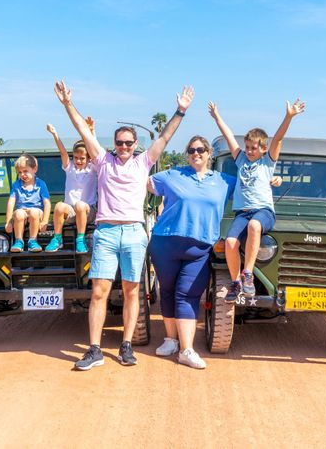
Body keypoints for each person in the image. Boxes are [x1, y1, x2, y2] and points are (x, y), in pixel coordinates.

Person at [55, 80, 193, 370]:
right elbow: (83, 130)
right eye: (120, 143)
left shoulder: (144, 163)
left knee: (132, 291)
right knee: (99, 292)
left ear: (135, 145)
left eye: (129, 143)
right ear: (114, 144)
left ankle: (126, 345)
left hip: (133, 232)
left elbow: (165, 138)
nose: (124, 147)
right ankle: (94, 349)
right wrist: (67, 104)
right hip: (106, 232)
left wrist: (180, 111)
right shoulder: (102, 161)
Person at [147, 135, 235, 369]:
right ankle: (170, 340)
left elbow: (250, 186)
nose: (196, 153)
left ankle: (186, 350)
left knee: (187, 294)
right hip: (165, 242)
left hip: (200, 248)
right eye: (192, 150)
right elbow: (139, 181)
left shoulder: (224, 181)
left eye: (201, 149)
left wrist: (272, 179)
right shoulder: (171, 175)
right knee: (167, 290)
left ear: (209, 153)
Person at [209, 99, 306, 302]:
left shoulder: (267, 162)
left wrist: (289, 116)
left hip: (263, 212)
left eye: (253, 148)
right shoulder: (241, 160)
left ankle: (248, 274)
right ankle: (236, 282)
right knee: (230, 242)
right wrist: (217, 117)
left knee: (254, 226)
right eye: (247, 147)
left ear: (263, 148)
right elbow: (228, 136)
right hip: (242, 213)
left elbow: (278, 139)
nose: (249, 151)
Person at [46, 121, 98, 253]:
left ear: (88, 158)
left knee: (80, 205)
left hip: (88, 211)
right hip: (71, 211)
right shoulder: (69, 168)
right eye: (76, 157)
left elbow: (96, 151)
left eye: (82, 158)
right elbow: (63, 152)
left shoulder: (92, 169)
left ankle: (80, 239)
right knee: (59, 206)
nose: (78, 161)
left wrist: (92, 132)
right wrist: (55, 134)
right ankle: (57, 238)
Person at [4, 153, 51, 253]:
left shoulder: (41, 184)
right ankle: (19, 241)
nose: (22, 175)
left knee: (34, 212)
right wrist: (8, 222)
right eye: (19, 172)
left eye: (25, 171)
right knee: (18, 213)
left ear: (34, 169)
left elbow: (47, 203)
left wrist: (45, 221)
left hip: (37, 211)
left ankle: (33, 241)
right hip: (22, 210)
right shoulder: (16, 185)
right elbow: (11, 202)